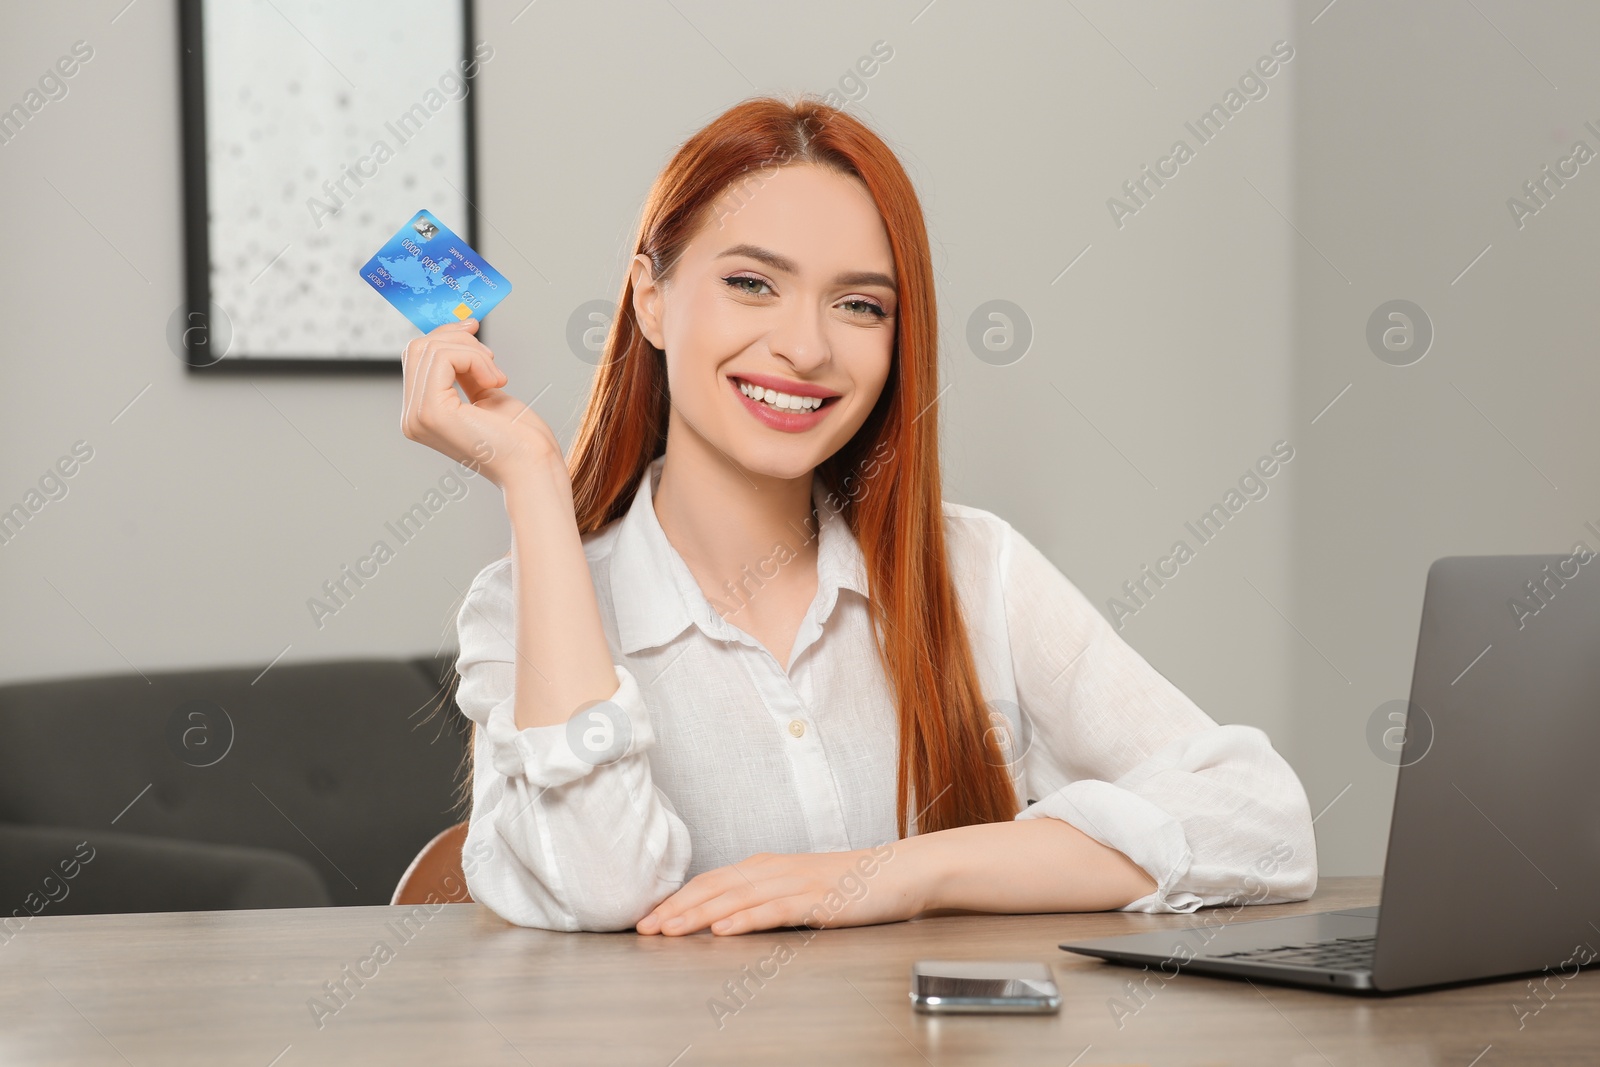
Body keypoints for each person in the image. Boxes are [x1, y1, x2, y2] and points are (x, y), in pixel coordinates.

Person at [399, 95, 1317, 935]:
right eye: (752, 283)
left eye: (858, 304)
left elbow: (1264, 820)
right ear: (650, 299)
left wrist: (902, 872)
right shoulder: (524, 608)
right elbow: (603, 884)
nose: (805, 346)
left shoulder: (975, 568)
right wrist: (531, 478)